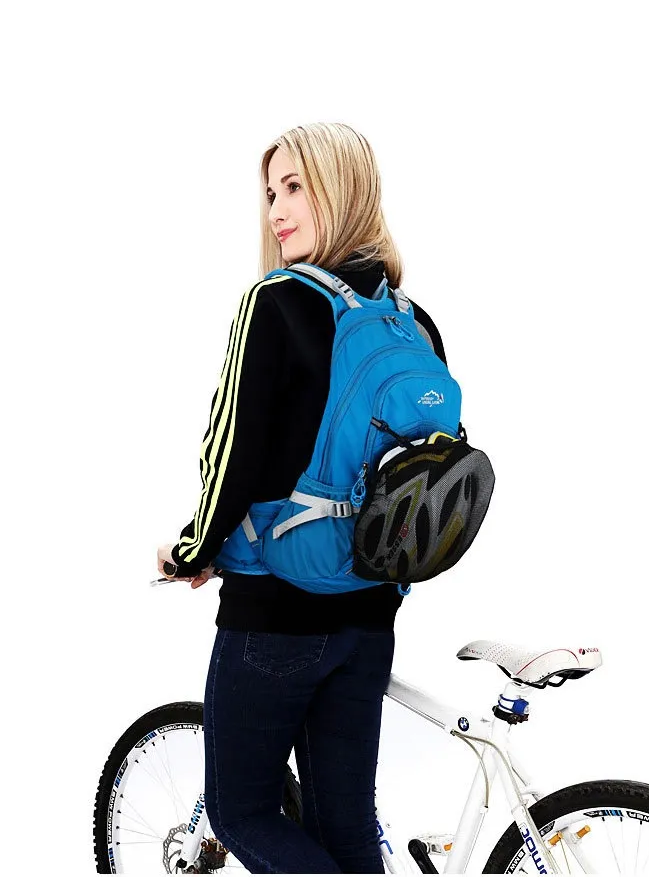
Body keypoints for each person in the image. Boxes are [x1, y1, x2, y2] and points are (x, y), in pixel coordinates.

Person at [156, 122, 447, 873]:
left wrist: (193, 548)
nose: (276, 211)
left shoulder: (277, 301)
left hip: (275, 615)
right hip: (370, 614)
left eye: (295, 187)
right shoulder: (412, 321)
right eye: (269, 193)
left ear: (342, 189)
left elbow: (234, 451)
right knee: (345, 830)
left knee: (242, 812)